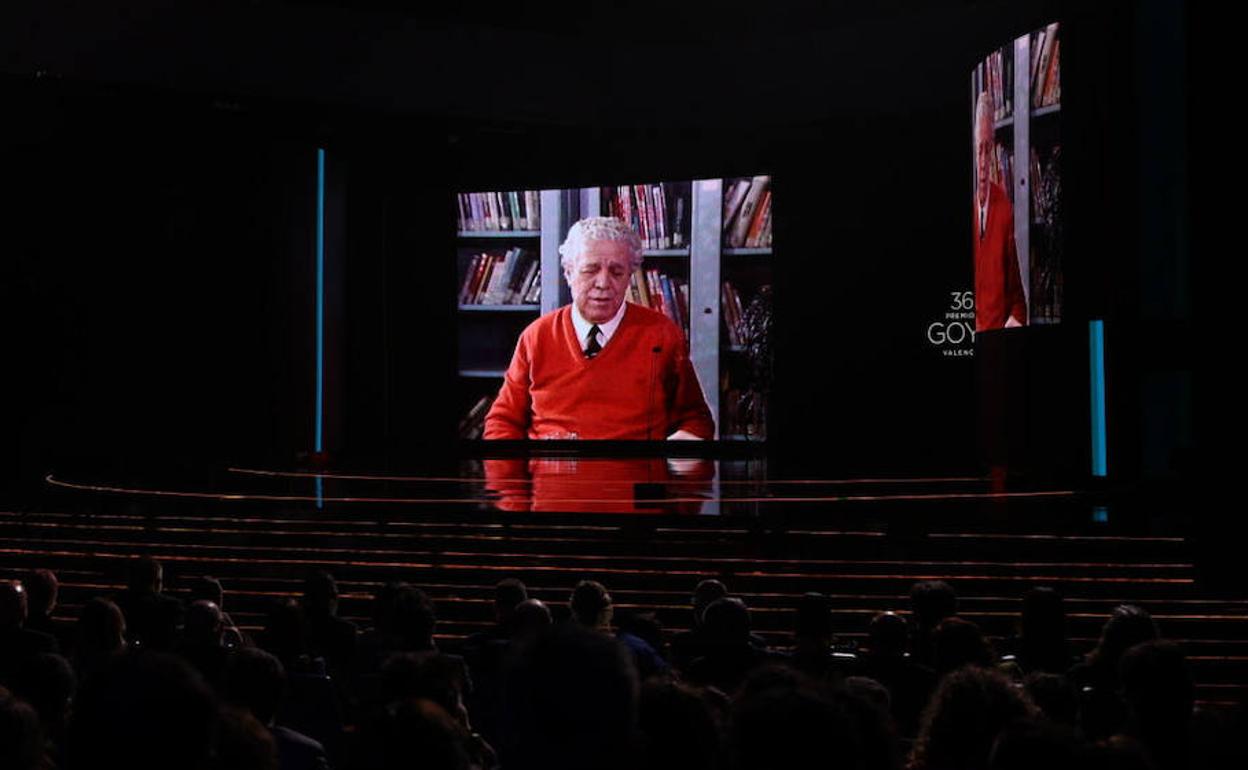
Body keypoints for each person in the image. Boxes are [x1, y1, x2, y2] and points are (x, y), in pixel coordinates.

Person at [484, 216, 715, 440]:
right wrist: (510, 477)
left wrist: (672, 463)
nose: (603, 283)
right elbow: (502, 421)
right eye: (590, 270)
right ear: (568, 273)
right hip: (550, 476)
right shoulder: (536, 336)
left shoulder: (661, 334)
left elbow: (696, 420)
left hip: (635, 476)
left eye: (616, 272)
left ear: (630, 277)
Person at [973, 90, 1027, 332]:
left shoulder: (1004, 208)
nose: (983, 162)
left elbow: (1018, 302)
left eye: (988, 149)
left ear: (994, 149)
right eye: (979, 150)